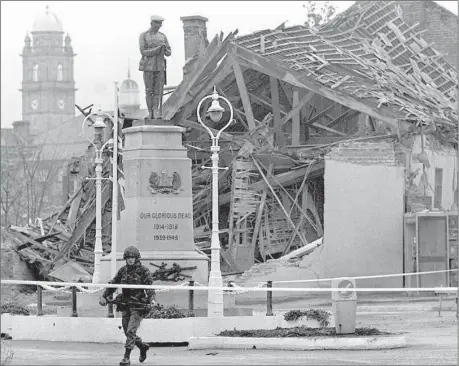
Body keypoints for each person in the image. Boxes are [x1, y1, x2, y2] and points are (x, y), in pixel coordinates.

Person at [99, 246, 156, 366]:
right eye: (128, 257)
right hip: (125, 305)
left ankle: (126, 357)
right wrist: (104, 295)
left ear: (136, 258)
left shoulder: (143, 271)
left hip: (138, 305)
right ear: (126, 258)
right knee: (127, 331)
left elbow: (149, 287)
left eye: (133, 257)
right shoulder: (123, 270)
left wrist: (152, 299)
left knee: (131, 331)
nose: (130, 259)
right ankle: (142, 346)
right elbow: (114, 283)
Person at [138, 15, 171, 119]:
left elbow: (169, 52)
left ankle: (156, 112)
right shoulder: (144, 36)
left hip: (160, 66)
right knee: (149, 91)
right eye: (157, 23)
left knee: (158, 91)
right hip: (148, 66)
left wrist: (165, 49)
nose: (159, 26)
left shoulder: (163, 36)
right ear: (151, 23)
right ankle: (150, 112)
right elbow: (143, 51)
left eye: (160, 24)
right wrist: (157, 50)